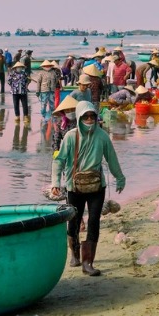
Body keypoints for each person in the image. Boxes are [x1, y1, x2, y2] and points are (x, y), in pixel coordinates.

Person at [51, 100, 126, 276]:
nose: (90, 119)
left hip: (96, 187)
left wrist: (120, 178)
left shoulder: (102, 136)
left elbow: (111, 158)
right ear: (79, 117)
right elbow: (59, 160)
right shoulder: (70, 136)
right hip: (74, 187)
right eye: (86, 116)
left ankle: (88, 262)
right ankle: (75, 254)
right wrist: (55, 182)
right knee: (73, 221)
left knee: (93, 222)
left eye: (92, 115)